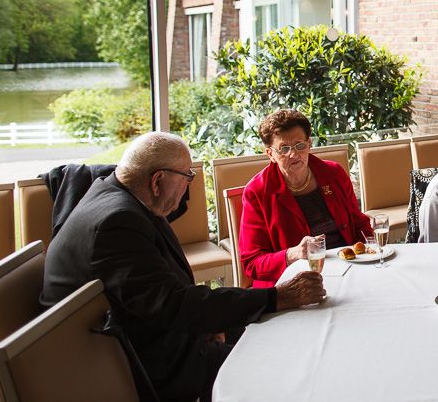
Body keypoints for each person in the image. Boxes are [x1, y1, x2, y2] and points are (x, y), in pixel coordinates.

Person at [41, 132, 324, 402]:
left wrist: (206, 322)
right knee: (277, 365)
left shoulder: (116, 196)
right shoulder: (116, 224)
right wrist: (278, 296)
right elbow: (174, 305)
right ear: (157, 181)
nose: (189, 185)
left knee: (274, 330)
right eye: (187, 176)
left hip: (139, 330)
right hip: (131, 362)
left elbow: (159, 297)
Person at [240, 109, 373, 288]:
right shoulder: (257, 192)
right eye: (284, 149)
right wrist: (292, 254)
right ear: (270, 154)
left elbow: (359, 224)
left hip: (348, 270)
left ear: (309, 144)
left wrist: (371, 255)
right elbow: (252, 263)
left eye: (300, 146)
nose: (293, 154)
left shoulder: (333, 174)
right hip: (292, 284)